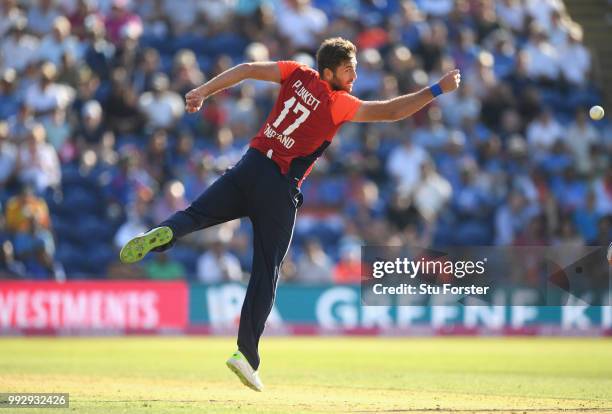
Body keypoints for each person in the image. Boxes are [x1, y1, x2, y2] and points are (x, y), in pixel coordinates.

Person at [119, 37, 460, 391]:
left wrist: (203, 91)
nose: (355, 75)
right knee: (266, 270)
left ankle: (164, 233)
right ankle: (245, 355)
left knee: (194, 214)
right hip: (279, 188)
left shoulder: (297, 73)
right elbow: (391, 111)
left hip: (248, 166)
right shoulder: (338, 102)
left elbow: (248, 69)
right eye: (348, 70)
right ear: (329, 72)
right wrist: (437, 89)